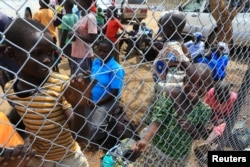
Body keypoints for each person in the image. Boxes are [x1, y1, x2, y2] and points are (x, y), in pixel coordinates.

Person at [4, 18, 89, 167]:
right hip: (39, 159)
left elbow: (81, 137)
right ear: (12, 54)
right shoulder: (10, 89)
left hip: (68, 158)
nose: (47, 60)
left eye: (51, 53)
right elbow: (23, 119)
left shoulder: (61, 85)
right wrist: (25, 141)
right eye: (37, 53)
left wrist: (79, 106)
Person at [133, 63, 213, 166]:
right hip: (157, 150)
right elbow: (158, 119)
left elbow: (199, 135)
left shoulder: (204, 110)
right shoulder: (172, 95)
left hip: (179, 157)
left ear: (208, 88)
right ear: (184, 80)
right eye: (191, 81)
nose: (195, 87)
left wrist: (192, 129)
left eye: (201, 84)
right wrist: (145, 139)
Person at [85, 38, 125, 148]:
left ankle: (100, 140)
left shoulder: (116, 69)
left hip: (107, 100)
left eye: (105, 51)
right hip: (92, 97)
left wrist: (96, 103)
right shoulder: (96, 62)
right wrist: (88, 97)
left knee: (96, 127)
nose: (101, 53)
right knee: (80, 117)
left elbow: (114, 92)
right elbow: (92, 80)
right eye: (99, 50)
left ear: (111, 51)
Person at [152, 11, 190, 93]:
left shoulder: (173, 48)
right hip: (168, 88)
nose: (161, 32)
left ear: (170, 28)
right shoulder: (179, 44)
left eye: (162, 28)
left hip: (166, 91)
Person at [69, 0, 98, 76]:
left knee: (83, 83)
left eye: (78, 1)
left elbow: (93, 38)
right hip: (75, 54)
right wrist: (72, 35)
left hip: (84, 56)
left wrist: (76, 35)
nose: (76, 3)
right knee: (75, 82)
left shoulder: (90, 17)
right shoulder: (81, 17)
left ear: (84, 2)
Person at [33, 0, 60, 72]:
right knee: (53, 52)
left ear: (39, 3)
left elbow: (35, 26)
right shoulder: (52, 12)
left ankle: (49, 69)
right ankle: (56, 67)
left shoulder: (37, 13)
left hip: (43, 37)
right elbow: (55, 24)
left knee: (45, 54)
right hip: (53, 36)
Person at [0, 12, 19, 91]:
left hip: (9, 57)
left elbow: (15, 38)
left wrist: (2, 46)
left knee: (18, 80)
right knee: (6, 86)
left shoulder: (2, 19)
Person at [60, 0, 78, 74]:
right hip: (76, 41)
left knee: (70, 60)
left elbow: (64, 32)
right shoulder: (76, 16)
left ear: (65, 7)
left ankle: (73, 74)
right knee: (75, 60)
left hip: (68, 42)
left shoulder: (65, 18)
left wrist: (61, 44)